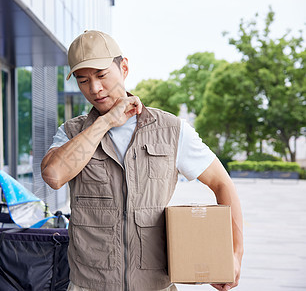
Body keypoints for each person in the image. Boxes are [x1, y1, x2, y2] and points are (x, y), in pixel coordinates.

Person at [41, 30, 243, 291]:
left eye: (102, 75)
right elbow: (54, 176)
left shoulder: (171, 130)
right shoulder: (71, 133)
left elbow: (222, 183)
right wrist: (104, 123)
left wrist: (234, 256)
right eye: (83, 80)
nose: (95, 89)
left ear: (124, 67)